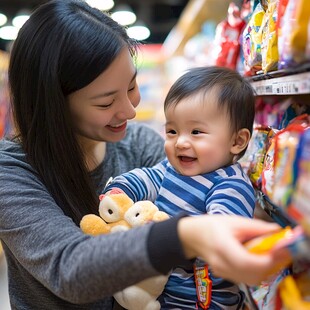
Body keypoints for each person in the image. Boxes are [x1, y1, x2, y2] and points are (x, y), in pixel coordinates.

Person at [0, 0, 291, 309]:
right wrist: (186, 234)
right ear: (54, 105)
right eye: (105, 102)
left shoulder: (138, 142)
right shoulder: (12, 172)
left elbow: (200, 190)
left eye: (132, 86)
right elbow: (68, 268)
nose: (130, 110)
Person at [104, 66, 256, 309]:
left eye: (196, 132)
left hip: (201, 299)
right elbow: (147, 177)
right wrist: (121, 191)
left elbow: (222, 233)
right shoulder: (170, 169)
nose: (181, 142)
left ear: (237, 141)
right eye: (172, 131)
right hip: (161, 292)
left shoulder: (230, 184)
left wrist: (166, 236)